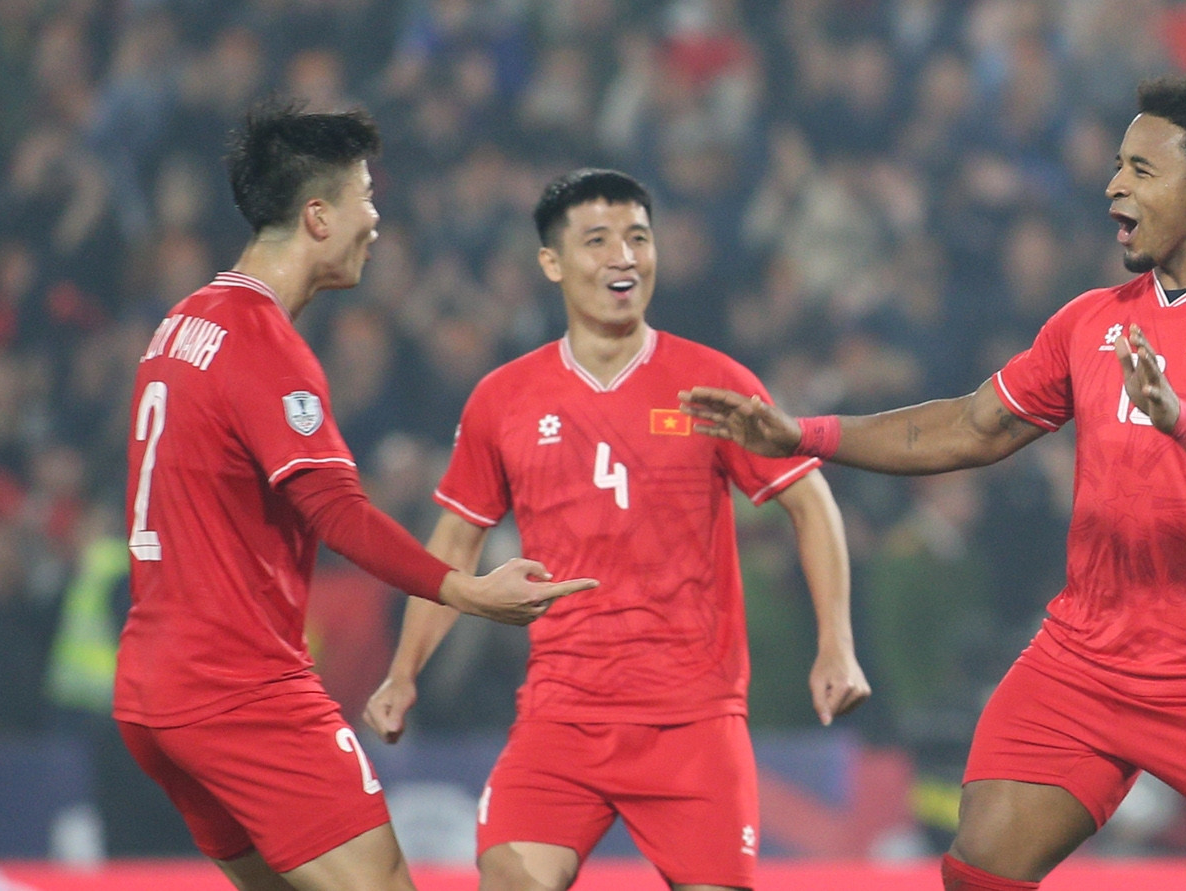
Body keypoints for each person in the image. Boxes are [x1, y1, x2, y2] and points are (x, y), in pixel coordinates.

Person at [683, 74, 1186, 891]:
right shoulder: (1092, 320)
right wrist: (804, 433)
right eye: (1116, 165)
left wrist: (1180, 417)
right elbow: (971, 426)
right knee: (980, 866)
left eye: (1141, 169)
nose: (1114, 186)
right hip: (1085, 657)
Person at [113, 102, 597, 891]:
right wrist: (467, 590)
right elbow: (337, 512)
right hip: (239, 689)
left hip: (151, 687)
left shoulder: (182, 322)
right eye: (365, 197)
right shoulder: (265, 343)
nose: (375, 220)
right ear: (317, 216)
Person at [363, 169, 870, 891]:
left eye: (638, 238)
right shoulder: (503, 399)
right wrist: (403, 672)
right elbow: (454, 545)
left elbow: (811, 501)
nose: (623, 257)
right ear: (552, 262)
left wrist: (836, 644)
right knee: (509, 878)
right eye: (598, 240)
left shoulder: (712, 384)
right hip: (560, 716)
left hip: (692, 720)